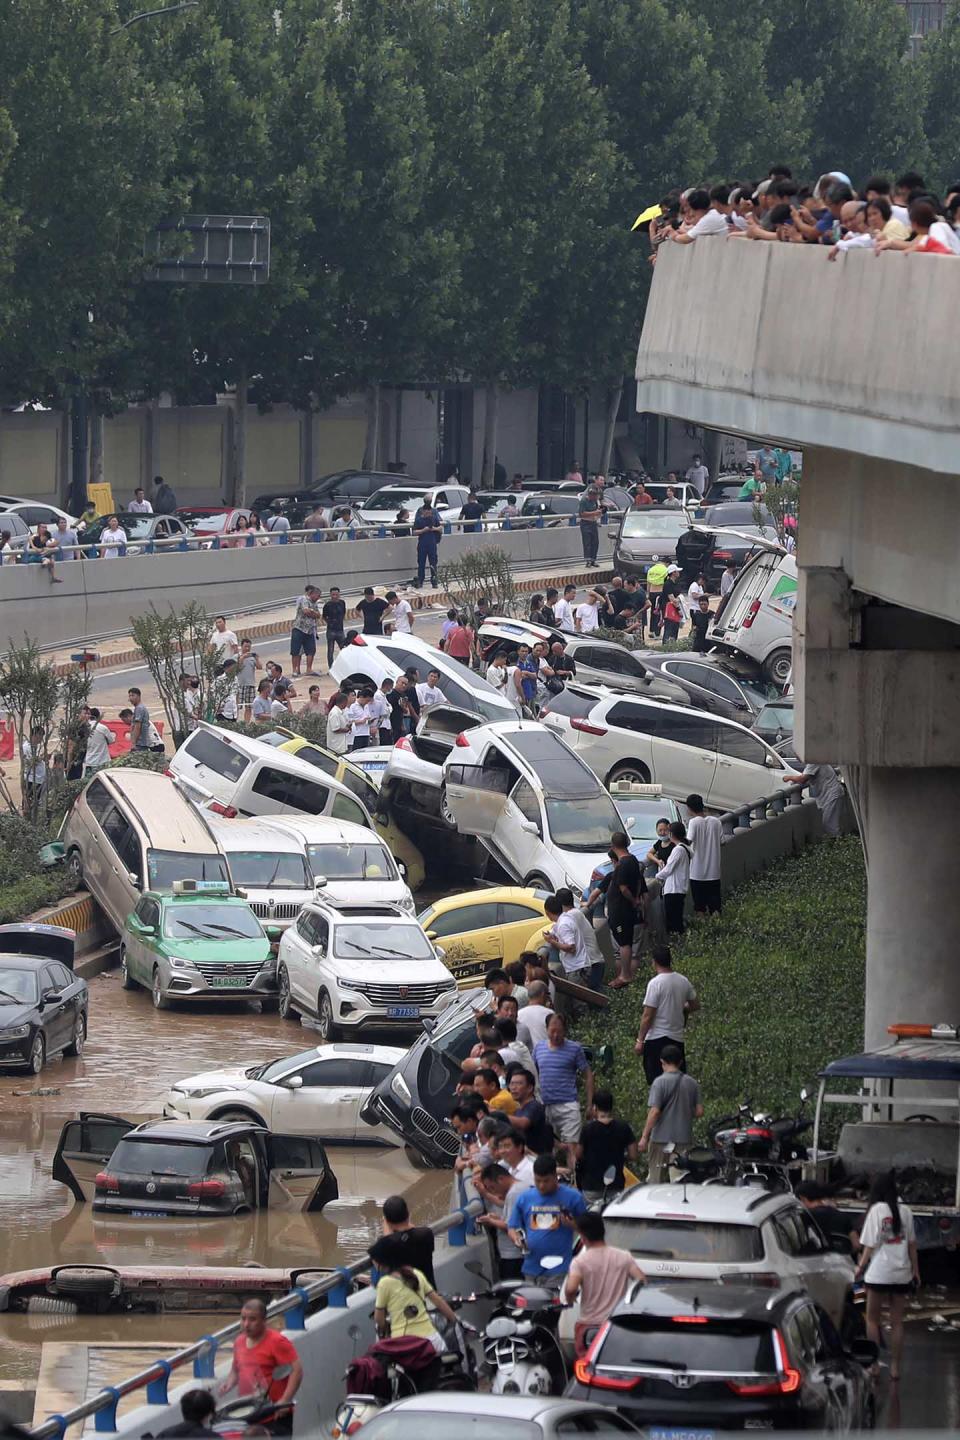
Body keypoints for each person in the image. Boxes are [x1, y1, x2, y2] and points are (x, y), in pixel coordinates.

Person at [855, 1171, 919, 1383]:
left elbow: (869, 1245)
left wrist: (860, 1267)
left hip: (878, 1274)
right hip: (902, 1274)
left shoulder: (876, 1210)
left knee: (872, 1320)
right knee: (897, 1322)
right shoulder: (906, 1211)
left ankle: (874, 1365)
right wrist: (916, 1271)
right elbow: (912, 1245)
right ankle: (895, 1368)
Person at [566, 1212, 646, 1356]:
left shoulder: (580, 1262)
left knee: (586, 1367)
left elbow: (571, 1288)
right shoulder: (623, 1257)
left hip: (589, 1326)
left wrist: (570, 1300)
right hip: (616, 1325)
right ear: (603, 1232)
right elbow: (642, 1281)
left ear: (582, 1237)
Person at [369, 1235, 459, 1349]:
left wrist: (386, 1327)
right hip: (433, 1341)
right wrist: (454, 1321)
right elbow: (438, 1302)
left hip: (405, 1346)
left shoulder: (385, 1283)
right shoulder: (416, 1274)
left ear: (380, 1262)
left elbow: (379, 1319)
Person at [507, 1153, 588, 1279]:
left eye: (546, 1181)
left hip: (559, 1269)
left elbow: (589, 1228)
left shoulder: (573, 1197)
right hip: (531, 1268)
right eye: (537, 1180)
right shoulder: (525, 1198)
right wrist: (517, 1239)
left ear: (556, 1176)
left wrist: (572, 1225)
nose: (542, 1185)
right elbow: (512, 1227)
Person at [634, 945, 699, 1085]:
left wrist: (640, 1040)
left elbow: (647, 1015)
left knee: (657, 1083)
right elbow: (695, 1005)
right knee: (677, 1082)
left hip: (656, 1039)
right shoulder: (683, 981)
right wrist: (683, 1007)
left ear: (654, 962)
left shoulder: (655, 984)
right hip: (677, 1039)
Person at [638, 1044, 703, 1182]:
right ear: (680, 1062)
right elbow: (699, 1112)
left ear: (662, 1061)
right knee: (680, 1180)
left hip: (660, 1139)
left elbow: (654, 1112)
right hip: (683, 1139)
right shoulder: (692, 1083)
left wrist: (644, 1136)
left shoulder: (659, 1083)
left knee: (656, 1180)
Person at [220, 1298, 302, 1403]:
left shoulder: (277, 1341)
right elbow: (235, 1370)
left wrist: (285, 1400)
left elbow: (297, 1371)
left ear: (264, 1320)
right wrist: (229, 1383)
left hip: (275, 1410)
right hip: (250, 1409)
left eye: (252, 1319)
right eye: (243, 1319)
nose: (246, 1324)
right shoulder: (239, 1342)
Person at [533, 1013, 593, 1153]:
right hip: (545, 1104)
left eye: (559, 1031)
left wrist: (590, 1104)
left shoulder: (574, 1048)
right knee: (547, 1148)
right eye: (552, 1031)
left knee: (572, 1148)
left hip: (568, 1104)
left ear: (565, 1031)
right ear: (546, 1029)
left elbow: (588, 1075)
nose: (555, 1035)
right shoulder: (538, 1048)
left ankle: (573, 1174)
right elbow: (532, 1073)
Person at [578, 1090, 638, 1203]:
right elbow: (633, 1154)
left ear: (595, 1108)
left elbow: (578, 1154)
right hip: (616, 1187)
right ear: (611, 1107)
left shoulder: (588, 1129)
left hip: (591, 1187)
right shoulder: (623, 1127)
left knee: (592, 1217)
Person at [547, 887, 605, 991]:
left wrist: (551, 940)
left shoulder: (570, 916)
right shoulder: (575, 913)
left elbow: (562, 937)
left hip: (589, 964)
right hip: (593, 962)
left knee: (587, 1001)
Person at [475, 1163, 527, 1279]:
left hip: (513, 1255)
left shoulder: (514, 1193)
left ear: (501, 1179)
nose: (493, 1192)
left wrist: (490, 1221)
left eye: (492, 1187)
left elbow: (511, 1226)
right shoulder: (520, 1186)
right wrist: (497, 1218)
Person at [382, 1194, 436, 1287]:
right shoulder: (427, 1234)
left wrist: (387, 1225)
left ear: (387, 1221)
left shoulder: (385, 1247)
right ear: (408, 1214)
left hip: (404, 1298)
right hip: (428, 1292)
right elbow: (412, 1232)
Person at [785, 762, 846, 837]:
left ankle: (837, 844)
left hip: (831, 795)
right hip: (831, 795)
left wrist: (788, 777)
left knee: (830, 825)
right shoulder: (817, 761)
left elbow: (802, 779)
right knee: (832, 823)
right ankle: (839, 843)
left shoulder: (813, 763)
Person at [686, 793, 723, 915]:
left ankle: (702, 928)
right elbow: (722, 841)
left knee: (699, 907)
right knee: (715, 906)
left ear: (689, 808)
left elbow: (689, 841)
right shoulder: (716, 822)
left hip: (697, 873)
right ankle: (716, 928)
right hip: (714, 872)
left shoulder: (694, 822)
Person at [657, 821, 690, 932]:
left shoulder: (678, 850)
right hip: (679, 888)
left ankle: (677, 945)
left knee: (673, 922)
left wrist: (658, 876)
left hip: (674, 889)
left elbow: (668, 868)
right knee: (677, 919)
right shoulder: (684, 847)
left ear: (672, 834)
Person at [289, 586, 321, 676]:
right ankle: (295, 670)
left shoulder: (314, 603)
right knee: (295, 650)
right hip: (299, 628)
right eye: (317, 595)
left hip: (310, 630)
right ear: (312, 594)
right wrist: (313, 612)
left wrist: (313, 612)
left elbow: (318, 615)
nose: (318, 598)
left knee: (311, 650)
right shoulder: (304, 599)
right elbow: (306, 611)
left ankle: (309, 669)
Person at [518, 979, 555, 1050]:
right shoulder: (549, 1013)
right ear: (543, 994)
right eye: (548, 994)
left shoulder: (519, 1014)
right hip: (545, 1054)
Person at [412, 500, 443, 587]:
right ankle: (420, 580)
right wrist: (423, 530)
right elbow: (414, 532)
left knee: (433, 563)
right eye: (427, 512)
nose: (429, 514)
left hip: (432, 543)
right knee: (421, 563)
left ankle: (434, 581)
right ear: (423, 511)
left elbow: (440, 527)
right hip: (422, 543)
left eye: (430, 512)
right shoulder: (419, 520)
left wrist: (434, 529)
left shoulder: (434, 519)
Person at [321, 586, 347, 668]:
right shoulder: (327, 605)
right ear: (330, 595)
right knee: (330, 650)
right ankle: (331, 667)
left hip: (340, 629)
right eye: (333, 595)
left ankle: (346, 665)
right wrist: (329, 622)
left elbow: (343, 613)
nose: (334, 596)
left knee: (344, 649)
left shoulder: (342, 603)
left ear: (339, 594)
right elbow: (324, 616)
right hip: (331, 630)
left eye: (336, 594)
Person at [82, 707, 113, 774]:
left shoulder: (84, 728)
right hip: (103, 761)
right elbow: (111, 741)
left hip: (89, 761)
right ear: (98, 716)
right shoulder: (103, 728)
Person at [578, 484, 602, 568]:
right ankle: (588, 560)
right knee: (587, 542)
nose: (596, 497)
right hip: (585, 523)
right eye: (595, 495)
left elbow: (597, 510)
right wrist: (594, 513)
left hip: (593, 523)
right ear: (591, 495)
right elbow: (581, 514)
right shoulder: (584, 501)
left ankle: (593, 559)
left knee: (595, 542)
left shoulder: (595, 501)